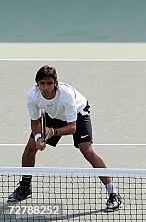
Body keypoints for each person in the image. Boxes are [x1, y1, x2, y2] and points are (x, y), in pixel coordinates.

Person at [7, 65, 121, 212]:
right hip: (53, 114)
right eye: (42, 83)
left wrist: (52, 131)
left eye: (49, 83)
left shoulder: (66, 95)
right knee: (30, 149)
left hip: (78, 114)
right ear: (37, 84)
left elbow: (72, 127)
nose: (46, 87)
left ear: (56, 83)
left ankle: (113, 193)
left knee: (87, 150)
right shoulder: (32, 96)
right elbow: (35, 122)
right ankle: (25, 187)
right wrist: (37, 139)